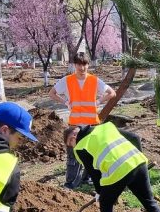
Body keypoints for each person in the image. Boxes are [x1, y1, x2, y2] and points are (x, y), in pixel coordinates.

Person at [49, 53, 116, 189]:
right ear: (74, 65)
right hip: (74, 125)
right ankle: (70, 184)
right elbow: (52, 93)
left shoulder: (94, 80)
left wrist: (98, 101)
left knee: (91, 154)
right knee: (73, 156)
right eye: (79, 64)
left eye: (84, 64)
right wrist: (65, 102)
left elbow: (112, 93)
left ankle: (87, 178)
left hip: (92, 124)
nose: (82, 67)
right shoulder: (67, 80)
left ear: (88, 65)